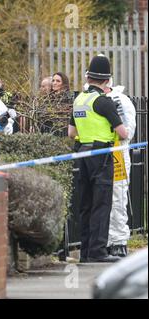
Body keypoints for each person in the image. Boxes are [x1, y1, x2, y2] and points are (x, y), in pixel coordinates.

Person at [68, 55, 128, 263]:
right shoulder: (103, 101)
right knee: (101, 204)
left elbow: (70, 132)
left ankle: (85, 252)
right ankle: (98, 251)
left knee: (85, 204)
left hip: (83, 155)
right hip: (101, 157)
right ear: (106, 80)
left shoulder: (79, 100)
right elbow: (123, 133)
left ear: (89, 77)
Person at [104, 79, 136, 257]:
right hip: (97, 152)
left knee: (117, 196)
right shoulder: (90, 98)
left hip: (117, 152)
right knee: (99, 199)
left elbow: (127, 131)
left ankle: (118, 241)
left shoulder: (120, 100)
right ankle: (104, 240)